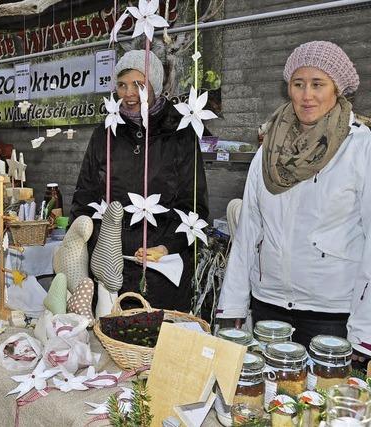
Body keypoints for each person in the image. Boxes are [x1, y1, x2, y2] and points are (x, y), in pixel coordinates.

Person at [217, 41, 370, 366]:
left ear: (337, 90)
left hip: (331, 314)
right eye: (298, 84)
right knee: (262, 403)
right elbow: (247, 235)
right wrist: (232, 307)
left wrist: (364, 330)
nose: (306, 95)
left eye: (318, 84)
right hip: (268, 308)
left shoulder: (360, 149)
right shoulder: (268, 150)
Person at [70, 50, 209, 311]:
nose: (129, 93)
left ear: (154, 85)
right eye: (122, 85)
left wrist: (167, 246)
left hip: (160, 273)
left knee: (156, 344)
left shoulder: (180, 134)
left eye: (139, 84)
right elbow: (84, 196)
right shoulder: (105, 133)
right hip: (109, 269)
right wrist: (94, 241)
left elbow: (195, 206)